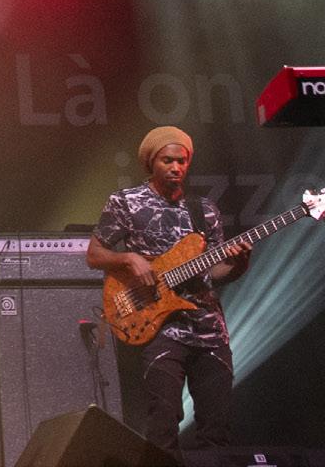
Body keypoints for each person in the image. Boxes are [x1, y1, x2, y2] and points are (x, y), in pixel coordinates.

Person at [86, 125, 251, 451]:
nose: (176, 167)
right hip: (161, 327)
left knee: (217, 427)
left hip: (209, 329)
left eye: (182, 161)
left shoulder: (204, 210)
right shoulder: (126, 203)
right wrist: (129, 258)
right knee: (163, 423)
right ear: (152, 162)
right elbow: (94, 255)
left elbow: (214, 272)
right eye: (168, 161)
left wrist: (239, 263)